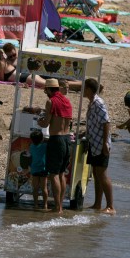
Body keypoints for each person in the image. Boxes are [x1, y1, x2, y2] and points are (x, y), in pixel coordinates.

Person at [37, 78, 73, 214]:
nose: (45, 92)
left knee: (53, 174)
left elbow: (46, 123)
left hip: (56, 139)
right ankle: (60, 206)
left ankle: (57, 208)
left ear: (48, 89)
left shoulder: (51, 101)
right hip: (67, 139)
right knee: (62, 173)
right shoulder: (67, 101)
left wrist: (39, 121)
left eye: (45, 89)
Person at [82, 78, 114, 214]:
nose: (82, 90)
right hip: (94, 142)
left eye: (84, 88)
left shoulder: (98, 103)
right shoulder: (92, 103)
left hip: (100, 144)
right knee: (96, 173)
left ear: (89, 89)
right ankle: (97, 204)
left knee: (102, 174)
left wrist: (105, 143)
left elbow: (106, 122)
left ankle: (110, 206)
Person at [29, 129, 49, 211]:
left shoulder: (31, 146)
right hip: (43, 168)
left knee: (35, 188)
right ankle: (45, 205)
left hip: (34, 169)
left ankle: (36, 204)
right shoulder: (45, 146)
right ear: (42, 139)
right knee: (44, 188)